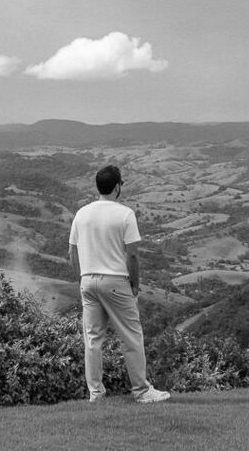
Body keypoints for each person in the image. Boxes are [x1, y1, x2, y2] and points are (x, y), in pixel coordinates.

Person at [68, 164, 171, 404]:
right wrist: (135, 285)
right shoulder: (125, 214)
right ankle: (142, 391)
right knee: (131, 337)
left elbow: (72, 252)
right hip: (115, 281)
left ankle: (96, 393)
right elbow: (132, 255)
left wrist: (81, 278)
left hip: (88, 280)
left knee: (93, 340)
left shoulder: (81, 213)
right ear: (117, 187)